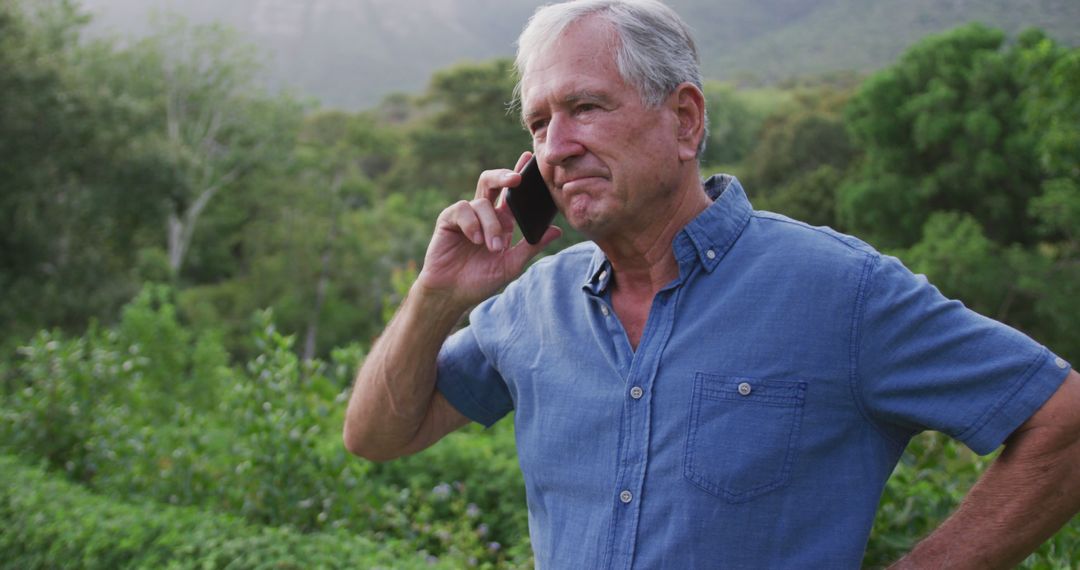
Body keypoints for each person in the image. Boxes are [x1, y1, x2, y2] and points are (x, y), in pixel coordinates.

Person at [343, 1, 1080, 567]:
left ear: (685, 121)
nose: (557, 148)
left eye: (586, 108)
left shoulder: (838, 290)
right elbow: (377, 434)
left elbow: (1064, 421)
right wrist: (436, 297)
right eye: (539, 124)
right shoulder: (533, 307)